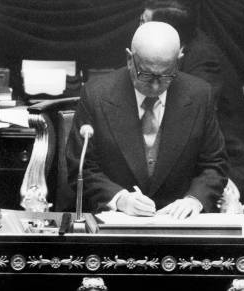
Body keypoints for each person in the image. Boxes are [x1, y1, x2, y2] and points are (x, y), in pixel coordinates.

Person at [67, 21, 228, 218]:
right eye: (145, 74)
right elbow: (81, 166)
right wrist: (119, 199)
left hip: (179, 225)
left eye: (167, 75)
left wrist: (194, 200)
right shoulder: (96, 95)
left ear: (179, 60)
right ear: (129, 58)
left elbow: (214, 164)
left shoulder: (200, 95)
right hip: (118, 224)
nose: (155, 86)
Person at [140, 1, 244, 204]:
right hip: (195, 159)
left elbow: (189, 125)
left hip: (227, 167)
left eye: (144, 23)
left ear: (169, 33)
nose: (139, 30)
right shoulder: (178, 49)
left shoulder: (204, 62)